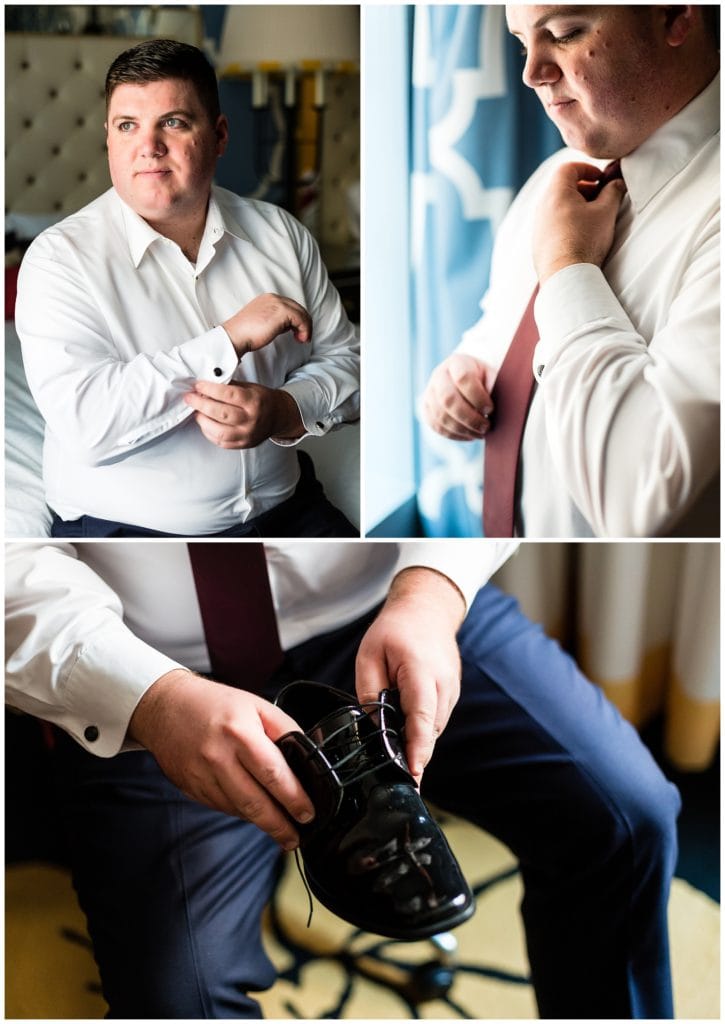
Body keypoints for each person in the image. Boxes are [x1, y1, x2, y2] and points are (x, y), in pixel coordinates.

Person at [6, 540, 680, 1019]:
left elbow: (474, 444)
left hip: (383, 608)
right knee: (178, 998)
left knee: (627, 813)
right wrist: (151, 700)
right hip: (151, 669)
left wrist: (432, 591)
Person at [15, 40, 359, 538]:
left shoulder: (281, 234)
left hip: (292, 509)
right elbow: (87, 426)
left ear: (219, 135)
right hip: (129, 530)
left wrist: (286, 410)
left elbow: (351, 362)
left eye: (173, 122)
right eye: (127, 125)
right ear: (109, 137)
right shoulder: (58, 261)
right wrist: (228, 340)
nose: (148, 147)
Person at [422, 5, 720, 538]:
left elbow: (640, 497)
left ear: (676, 16)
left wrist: (567, 266)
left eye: (565, 33)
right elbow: (502, 328)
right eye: (521, 43)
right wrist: (463, 369)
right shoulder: (554, 180)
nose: (531, 72)